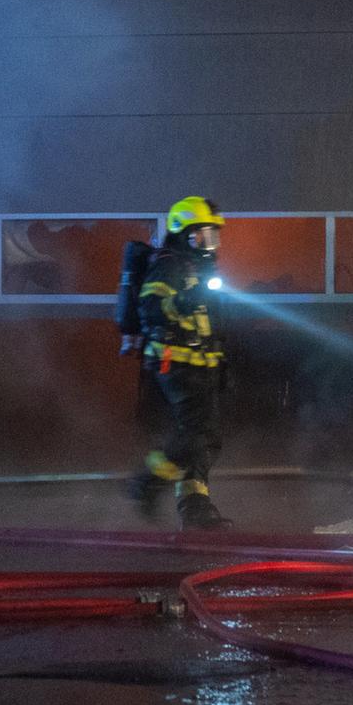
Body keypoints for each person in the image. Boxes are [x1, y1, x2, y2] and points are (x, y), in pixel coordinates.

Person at [126, 196, 230, 530]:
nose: (209, 242)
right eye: (202, 234)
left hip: (201, 365)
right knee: (194, 436)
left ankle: (195, 507)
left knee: (207, 437)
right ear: (182, 231)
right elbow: (151, 307)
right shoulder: (169, 263)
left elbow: (209, 321)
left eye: (212, 235)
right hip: (176, 363)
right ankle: (147, 484)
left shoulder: (199, 266)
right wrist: (185, 300)